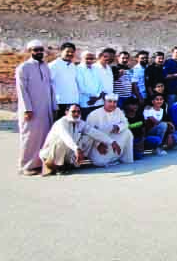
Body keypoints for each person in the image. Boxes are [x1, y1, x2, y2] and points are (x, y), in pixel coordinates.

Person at [16, 40, 57, 176]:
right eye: (35, 50)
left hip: (46, 109)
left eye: (40, 50)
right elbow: (21, 90)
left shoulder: (45, 66)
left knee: (44, 136)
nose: (39, 52)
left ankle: (40, 164)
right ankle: (26, 166)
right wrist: (27, 109)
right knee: (30, 137)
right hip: (32, 109)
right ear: (30, 51)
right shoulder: (23, 68)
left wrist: (53, 106)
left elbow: (50, 87)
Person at [39, 104, 112, 176]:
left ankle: (72, 163)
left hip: (68, 153)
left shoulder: (80, 123)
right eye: (73, 111)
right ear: (67, 112)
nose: (76, 114)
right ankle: (58, 166)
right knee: (61, 140)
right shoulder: (61, 122)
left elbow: (93, 132)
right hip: (50, 155)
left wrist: (111, 141)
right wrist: (77, 149)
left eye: (78, 112)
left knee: (89, 137)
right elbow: (66, 137)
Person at [86, 94, 134, 167]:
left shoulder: (118, 111)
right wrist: (98, 144)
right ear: (104, 102)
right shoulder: (94, 114)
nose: (112, 104)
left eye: (114, 102)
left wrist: (118, 127)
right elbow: (89, 132)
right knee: (99, 162)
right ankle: (112, 159)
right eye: (109, 101)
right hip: (98, 143)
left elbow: (126, 123)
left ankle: (125, 159)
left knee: (127, 132)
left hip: (113, 139)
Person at [49, 42, 79, 122]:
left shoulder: (73, 66)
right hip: (60, 103)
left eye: (72, 52)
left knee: (72, 125)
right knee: (59, 127)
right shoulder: (53, 65)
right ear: (61, 51)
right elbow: (47, 84)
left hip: (73, 102)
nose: (70, 53)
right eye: (67, 51)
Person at [76, 50, 105, 118]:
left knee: (98, 123)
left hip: (98, 102)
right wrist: (94, 97)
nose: (89, 60)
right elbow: (81, 87)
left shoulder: (96, 68)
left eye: (91, 58)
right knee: (87, 123)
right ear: (82, 59)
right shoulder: (78, 69)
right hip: (86, 101)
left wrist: (97, 97)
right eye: (87, 58)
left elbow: (101, 84)